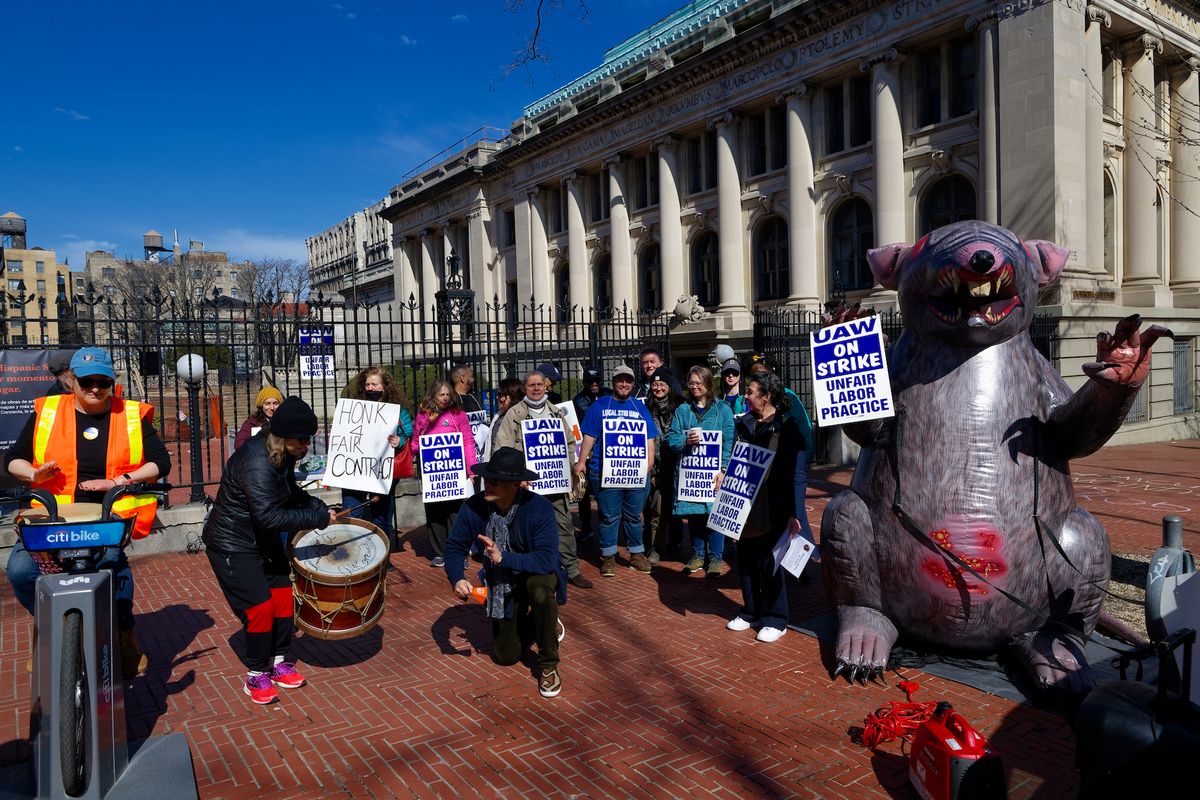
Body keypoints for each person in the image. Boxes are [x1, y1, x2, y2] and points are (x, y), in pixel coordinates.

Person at [4, 346, 170, 677]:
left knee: (111, 565)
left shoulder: (131, 414)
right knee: (21, 571)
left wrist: (118, 481)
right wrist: (33, 474)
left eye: (102, 382)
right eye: (86, 382)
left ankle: (124, 635)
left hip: (106, 515)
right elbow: (13, 459)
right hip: (53, 517)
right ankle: (50, 629)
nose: (94, 389)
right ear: (71, 382)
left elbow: (159, 461)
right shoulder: (48, 412)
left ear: (111, 383)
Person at [202, 396, 338, 704]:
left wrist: (316, 505)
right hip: (232, 544)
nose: (307, 445)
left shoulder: (283, 453)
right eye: (303, 439)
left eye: (310, 438)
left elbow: (287, 493)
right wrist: (315, 518)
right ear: (285, 435)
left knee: (281, 600)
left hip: (260, 540)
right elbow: (268, 516)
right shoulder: (256, 459)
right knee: (259, 608)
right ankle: (255, 674)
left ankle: (278, 663)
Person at [444, 447, 567, 699]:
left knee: (541, 591)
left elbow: (546, 559)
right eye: (487, 478)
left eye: (495, 481)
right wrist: (457, 577)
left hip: (537, 572)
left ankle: (548, 665)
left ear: (515, 484)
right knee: (505, 655)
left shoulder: (539, 508)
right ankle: (545, 623)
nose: (487, 484)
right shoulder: (474, 506)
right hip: (503, 581)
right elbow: (454, 546)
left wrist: (504, 557)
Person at [725, 371, 809, 644]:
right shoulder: (744, 425)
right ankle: (751, 611)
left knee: (771, 561)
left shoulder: (789, 429)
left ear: (766, 396)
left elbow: (797, 474)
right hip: (744, 503)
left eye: (750, 392)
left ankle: (776, 618)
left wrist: (795, 513)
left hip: (775, 504)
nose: (746, 397)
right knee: (746, 557)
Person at [495, 371, 591, 589]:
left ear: (546, 387)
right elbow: (503, 448)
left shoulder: (557, 413)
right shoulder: (514, 414)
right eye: (532, 385)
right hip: (526, 485)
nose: (536, 388)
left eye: (540, 384)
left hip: (555, 483)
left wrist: (567, 469)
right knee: (525, 527)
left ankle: (572, 569)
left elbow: (570, 443)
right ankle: (528, 567)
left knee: (564, 525)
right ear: (525, 388)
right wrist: (517, 477)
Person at [572, 364, 658, 577]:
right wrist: (582, 461)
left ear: (632, 384)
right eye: (620, 380)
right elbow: (589, 436)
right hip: (604, 472)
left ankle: (636, 555)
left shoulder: (640, 408)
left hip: (635, 473)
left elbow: (650, 439)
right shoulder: (600, 405)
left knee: (633, 516)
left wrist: (647, 466)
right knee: (609, 517)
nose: (624, 384)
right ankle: (608, 557)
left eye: (628, 380)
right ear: (613, 382)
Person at [667, 366, 736, 578]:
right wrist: (685, 440)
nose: (695, 387)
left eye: (699, 383)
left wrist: (724, 469)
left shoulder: (723, 409)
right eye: (692, 383)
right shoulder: (683, 410)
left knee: (714, 516)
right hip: (691, 474)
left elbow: (728, 441)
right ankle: (697, 555)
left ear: (708, 384)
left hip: (714, 473)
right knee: (695, 515)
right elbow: (671, 438)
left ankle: (715, 557)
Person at [342, 367, 413, 549]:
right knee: (353, 515)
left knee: (382, 517)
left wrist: (401, 441)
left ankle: (382, 556)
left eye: (374, 384)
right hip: (356, 471)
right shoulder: (354, 408)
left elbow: (409, 434)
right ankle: (355, 555)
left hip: (383, 472)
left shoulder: (398, 411)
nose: (370, 388)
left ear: (385, 386)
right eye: (367, 384)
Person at [413, 379, 479, 568]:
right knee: (435, 513)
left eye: (448, 394)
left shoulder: (459, 415)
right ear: (433, 396)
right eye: (441, 394)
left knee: (456, 513)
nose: (445, 398)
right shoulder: (424, 415)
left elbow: (468, 441)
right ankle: (440, 552)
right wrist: (408, 453)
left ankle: (459, 552)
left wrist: (471, 468)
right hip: (432, 473)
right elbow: (416, 442)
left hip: (455, 472)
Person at [643, 369, 684, 565]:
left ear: (669, 387)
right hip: (658, 468)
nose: (658, 388)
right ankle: (656, 547)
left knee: (679, 509)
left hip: (679, 467)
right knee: (658, 511)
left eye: (662, 384)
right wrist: (651, 471)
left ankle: (676, 542)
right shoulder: (645, 408)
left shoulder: (680, 408)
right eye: (655, 384)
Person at [747, 352, 814, 457]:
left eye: (761, 374)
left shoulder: (788, 397)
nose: (757, 379)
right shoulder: (746, 399)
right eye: (753, 375)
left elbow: (804, 435)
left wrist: (801, 462)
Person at [571, 366, 610, 539]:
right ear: (584, 382)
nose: (594, 384)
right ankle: (586, 526)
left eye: (597, 381)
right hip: (586, 451)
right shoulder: (577, 400)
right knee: (584, 492)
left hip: (608, 450)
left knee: (607, 490)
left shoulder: (609, 394)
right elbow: (575, 426)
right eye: (590, 381)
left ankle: (607, 526)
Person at [451, 363, 489, 456]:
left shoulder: (473, 397)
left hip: (480, 451)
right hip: (463, 450)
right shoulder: (452, 400)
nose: (473, 379)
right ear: (462, 378)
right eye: (471, 376)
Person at [482, 377, 523, 463]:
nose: (497, 398)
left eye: (501, 395)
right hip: (496, 466)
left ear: (511, 396)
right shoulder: (499, 415)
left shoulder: (520, 417)